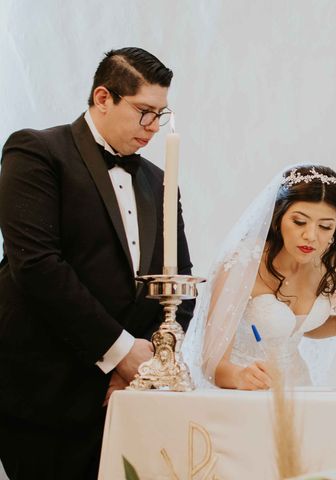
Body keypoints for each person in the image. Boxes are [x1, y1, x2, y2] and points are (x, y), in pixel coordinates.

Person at [0, 47, 194, 479]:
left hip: (127, 396)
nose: (153, 129)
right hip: (44, 392)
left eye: (161, 115)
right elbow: (36, 265)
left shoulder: (159, 180)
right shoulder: (36, 152)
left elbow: (177, 280)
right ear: (103, 98)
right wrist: (121, 351)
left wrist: (147, 361)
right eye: (144, 112)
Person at [184, 165, 336, 390]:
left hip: (300, 387)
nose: (311, 236)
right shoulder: (243, 262)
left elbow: (294, 328)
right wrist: (239, 376)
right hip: (246, 392)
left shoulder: (326, 263)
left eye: (325, 226)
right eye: (299, 222)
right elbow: (212, 363)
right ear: (277, 218)